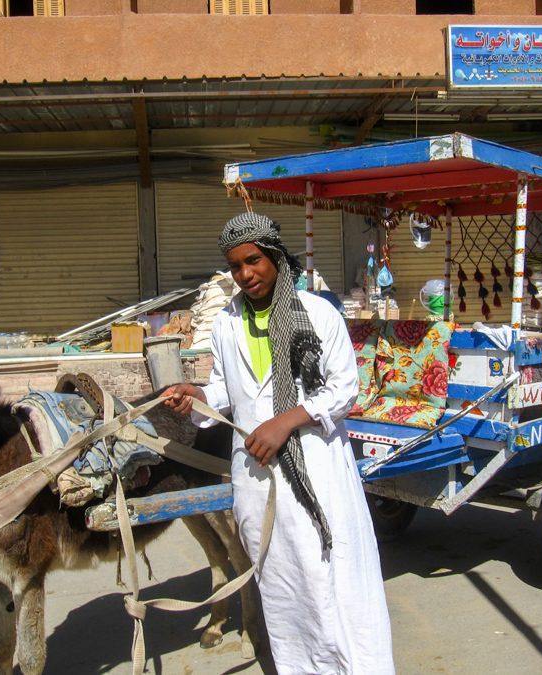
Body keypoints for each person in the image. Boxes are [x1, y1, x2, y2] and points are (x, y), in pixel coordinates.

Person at [162, 212, 394, 675]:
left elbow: (345, 390)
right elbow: (230, 389)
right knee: (285, 591)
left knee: (329, 582)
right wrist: (199, 394)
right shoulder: (226, 323)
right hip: (257, 477)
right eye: (235, 266)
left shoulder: (317, 312)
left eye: (253, 261)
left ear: (273, 256)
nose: (245, 274)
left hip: (316, 473)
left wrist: (285, 421)